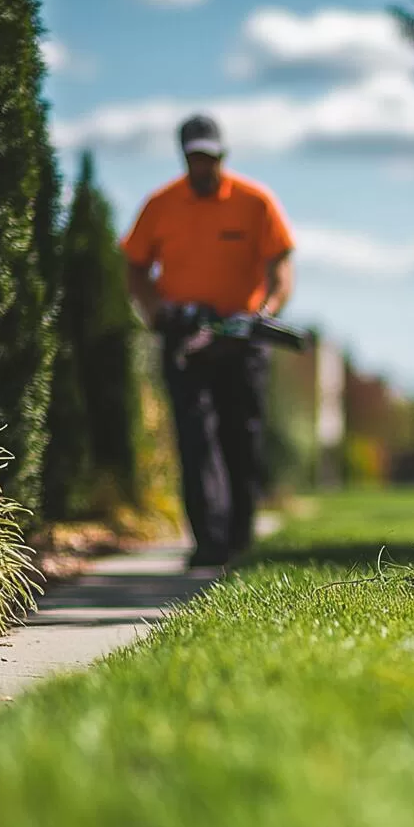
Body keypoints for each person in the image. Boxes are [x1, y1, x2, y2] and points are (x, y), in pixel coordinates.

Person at [121, 114, 295, 569]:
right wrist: (157, 312)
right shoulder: (160, 205)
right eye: (196, 157)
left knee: (242, 434)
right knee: (196, 436)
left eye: (211, 157)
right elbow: (135, 268)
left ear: (223, 155)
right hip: (185, 338)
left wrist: (267, 310)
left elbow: (281, 267)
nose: (204, 165)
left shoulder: (255, 203)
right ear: (184, 157)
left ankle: (240, 534)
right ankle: (209, 540)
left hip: (243, 338)